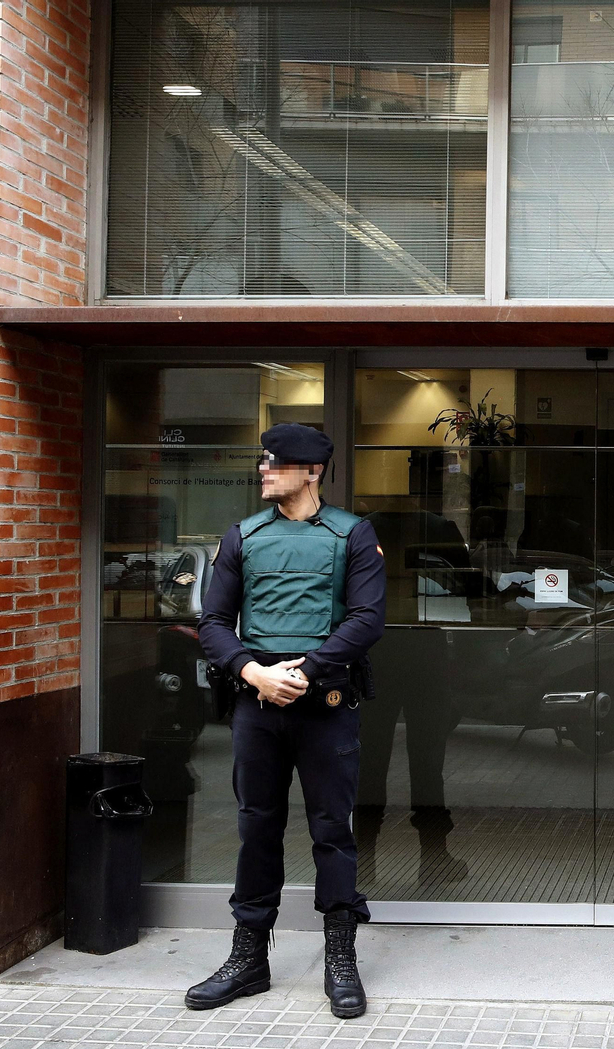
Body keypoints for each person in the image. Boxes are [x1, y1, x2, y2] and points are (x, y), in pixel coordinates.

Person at [190, 423, 386, 1019]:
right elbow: (214, 623)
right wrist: (254, 673)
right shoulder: (243, 536)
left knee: (333, 828)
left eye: (276, 464)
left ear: (312, 472)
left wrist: (304, 670)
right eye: (264, 463)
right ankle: (248, 960)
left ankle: (341, 960)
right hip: (257, 705)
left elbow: (367, 619)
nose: (264, 472)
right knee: (257, 828)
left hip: (324, 704)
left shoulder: (353, 534)